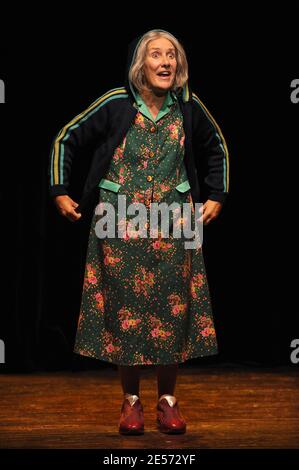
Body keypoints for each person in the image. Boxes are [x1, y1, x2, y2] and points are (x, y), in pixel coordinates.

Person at [48, 29, 229, 435]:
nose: (165, 62)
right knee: (123, 313)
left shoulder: (188, 108)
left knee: (172, 312)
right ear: (140, 65)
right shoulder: (116, 103)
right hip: (119, 222)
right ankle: (131, 404)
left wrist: (217, 194)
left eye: (172, 56)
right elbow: (67, 139)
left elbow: (215, 146)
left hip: (174, 223)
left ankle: (167, 402)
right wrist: (60, 190)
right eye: (156, 55)